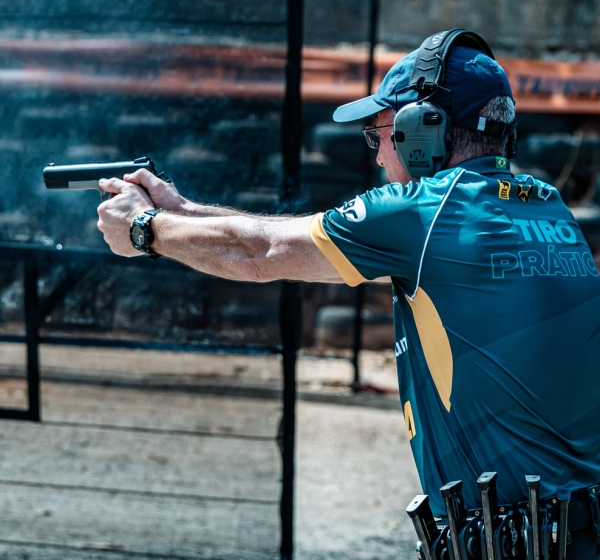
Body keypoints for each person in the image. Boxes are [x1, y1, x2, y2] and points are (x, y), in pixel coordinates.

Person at [97, 33, 600, 558]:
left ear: (422, 129)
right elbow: (272, 236)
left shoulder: (425, 213)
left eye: (381, 132)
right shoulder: (547, 208)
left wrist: (144, 229)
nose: (379, 152)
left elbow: (259, 254)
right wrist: (181, 210)